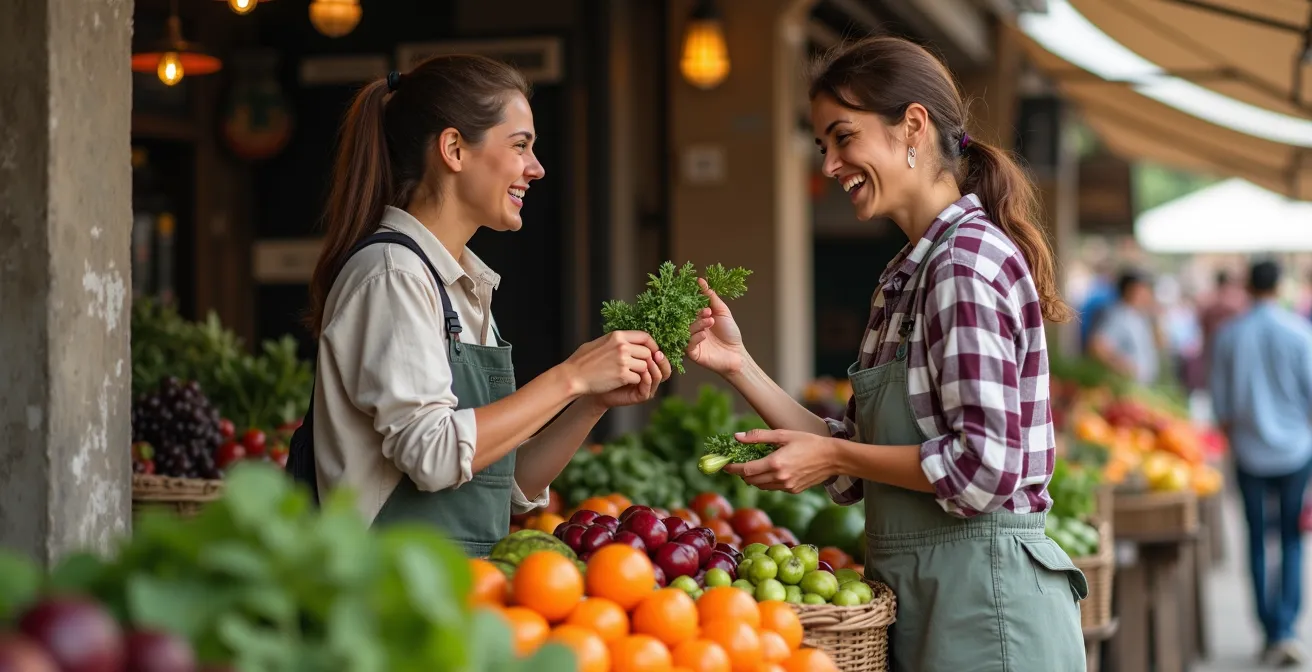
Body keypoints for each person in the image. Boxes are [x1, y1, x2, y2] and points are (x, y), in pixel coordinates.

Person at [683, 36, 1085, 671]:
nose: (830, 164)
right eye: (822, 145)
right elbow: (854, 468)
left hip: (987, 611)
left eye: (843, 137)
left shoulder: (961, 265)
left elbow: (985, 468)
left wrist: (835, 453)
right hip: (939, 602)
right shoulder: (907, 275)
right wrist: (740, 365)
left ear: (913, 127)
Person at [297, 55, 671, 557]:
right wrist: (572, 376)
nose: (536, 169)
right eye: (520, 145)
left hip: (458, 596)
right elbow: (432, 454)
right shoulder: (392, 275)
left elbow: (504, 483)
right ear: (453, 148)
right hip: (384, 603)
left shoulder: (462, 284)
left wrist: (591, 402)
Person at [1210, 260, 1312, 667]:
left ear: (1248, 288)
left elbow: (1221, 406)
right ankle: (1286, 628)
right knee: (1290, 538)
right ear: (1280, 286)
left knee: (1255, 538)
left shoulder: (1229, 336)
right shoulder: (1300, 332)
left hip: (1249, 452)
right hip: (1296, 452)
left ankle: (1268, 629)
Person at [1087, 270, 1161, 385]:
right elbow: (1097, 346)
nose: (1147, 294)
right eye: (1143, 290)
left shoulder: (1140, 315)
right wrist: (1122, 366)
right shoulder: (1118, 315)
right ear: (1130, 290)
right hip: (1127, 387)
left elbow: (1160, 343)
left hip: (1142, 388)